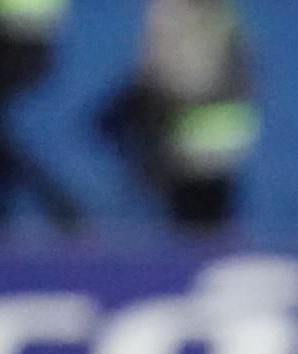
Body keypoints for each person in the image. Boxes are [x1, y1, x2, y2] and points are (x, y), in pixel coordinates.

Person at [97, 0, 257, 235]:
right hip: (219, 139)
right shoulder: (220, 12)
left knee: (196, 221)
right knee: (208, 222)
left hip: (187, 136)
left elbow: (170, 77)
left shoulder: (172, 12)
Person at [0, 0, 82, 237]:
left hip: (18, 34)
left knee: (5, 129)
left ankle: (63, 207)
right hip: (7, 33)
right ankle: (1, 220)